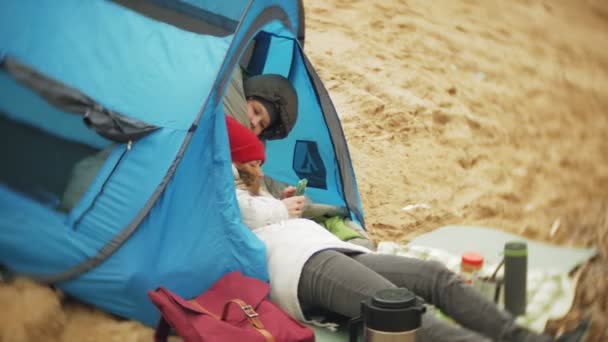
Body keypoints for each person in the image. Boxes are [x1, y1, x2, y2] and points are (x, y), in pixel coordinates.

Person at [225, 116, 589, 342]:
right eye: (254, 159)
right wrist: (281, 208)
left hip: (323, 250)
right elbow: (241, 211)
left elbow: (265, 207)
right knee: (405, 312)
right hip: (298, 266)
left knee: (434, 276)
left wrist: (285, 206)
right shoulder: (216, 175)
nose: (259, 166)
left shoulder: (255, 187)